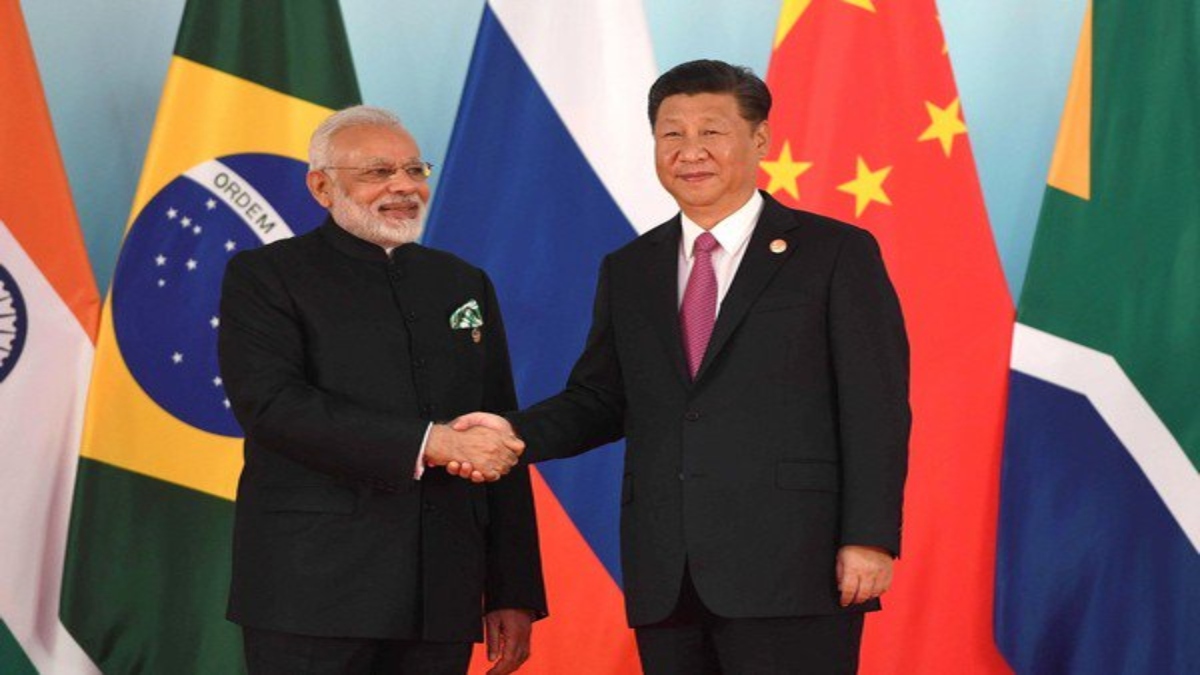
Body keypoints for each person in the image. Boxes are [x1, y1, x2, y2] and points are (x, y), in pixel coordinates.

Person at [453, 60, 910, 674]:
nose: (689, 152)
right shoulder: (631, 267)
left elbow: (875, 407)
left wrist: (869, 537)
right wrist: (511, 433)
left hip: (794, 565)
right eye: (672, 134)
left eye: (711, 131)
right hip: (667, 572)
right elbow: (600, 399)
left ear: (760, 139)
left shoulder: (834, 252)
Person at [218, 105, 546, 675]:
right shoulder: (266, 275)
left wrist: (512, 590)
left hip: (441, 592)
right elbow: (273, 407)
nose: (403, 186)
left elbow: (496, 431)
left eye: (414, 170)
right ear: (322, 187)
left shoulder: (462, 282)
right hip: (312, 589)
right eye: (377, 172)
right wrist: (429, 443)